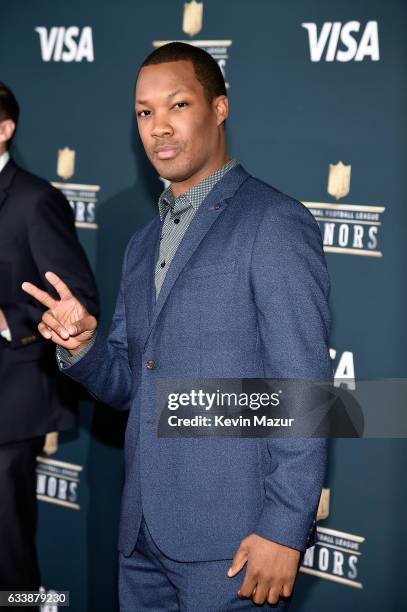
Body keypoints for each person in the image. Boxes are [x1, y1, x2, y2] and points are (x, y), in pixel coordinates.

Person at [22, 43, 332, 610]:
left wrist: (286, 527)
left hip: (235, 543)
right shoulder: (144, 242)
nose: (158, 128)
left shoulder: (274, 221)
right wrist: (85, 346)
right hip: (141, 534)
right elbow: (130, 386)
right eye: (144, 113)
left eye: (178, 105)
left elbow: (305, 387)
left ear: (219, 109)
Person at [0, 82, 99, 591]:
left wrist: (6, 319)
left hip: (11, 406)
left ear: (5, 129)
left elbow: (76, 300)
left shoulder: (37, 200)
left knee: (8, 551)